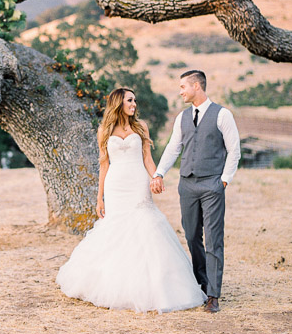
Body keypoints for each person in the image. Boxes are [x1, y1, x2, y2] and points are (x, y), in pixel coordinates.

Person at [56, 87, 206, 313]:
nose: (134, 104)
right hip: (115, 185)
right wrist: (100, 198)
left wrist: (156, 176)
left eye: (135, 100)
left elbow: (147, 157)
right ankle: (114, 283)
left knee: (145, 224)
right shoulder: (104, 130)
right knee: (116, 229)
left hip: (138, 183)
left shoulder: (140, 126)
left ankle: (155, 284)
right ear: (118, 103)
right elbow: (104, 164)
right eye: (130, 100)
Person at [151, 70, 241, 314]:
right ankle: (201, 283)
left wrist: (224, 181)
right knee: (191, 236)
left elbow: (234, 150)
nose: (180, 92)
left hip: (212, 184)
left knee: (213, 239)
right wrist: (159, 173)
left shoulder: (222, 114)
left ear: (197, 86)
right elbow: (173, 148)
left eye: (183, 87)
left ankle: (213, 294)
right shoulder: (182, 117)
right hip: (187, 184)